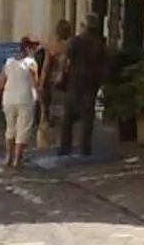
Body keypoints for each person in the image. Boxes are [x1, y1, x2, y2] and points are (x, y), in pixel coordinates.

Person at [58, 16, 109, 156]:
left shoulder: (75, 41)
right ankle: (85, 148)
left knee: (68, 115)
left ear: (84, 26)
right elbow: (104, 64)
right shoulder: (99, 44)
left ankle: (65, 147)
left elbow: (65, 61)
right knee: (87, 116)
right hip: (91, 81)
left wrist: (63, 75)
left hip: (75, 80)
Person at [0, 38, 40, 170]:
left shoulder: (9, 62)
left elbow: (0, 82)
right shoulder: (31, 63)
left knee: (10, 128)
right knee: (23, 129)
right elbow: (34, 84)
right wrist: (38, 97)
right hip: (25, 99)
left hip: (8, 98)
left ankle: (8, 157)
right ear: (28, 49)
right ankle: (17, 159)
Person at [38, 18, 73, 137]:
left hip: (52, 82)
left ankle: (46, 137)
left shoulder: (52, 46)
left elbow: (46, 67)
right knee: (63, 111)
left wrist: (41, 84)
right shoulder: (70, 47)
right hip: (67, 82)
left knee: (48, 111)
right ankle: (61, 138)